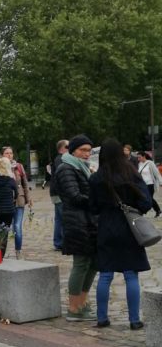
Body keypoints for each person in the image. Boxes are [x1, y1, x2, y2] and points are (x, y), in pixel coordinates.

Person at [89, 138, 152, 330]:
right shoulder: (131, 174)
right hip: (129, 228)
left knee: (105, 274)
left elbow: (92, 207)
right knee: (131, 274)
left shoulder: (96, 178)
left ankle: (102, 318)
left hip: (107, 227)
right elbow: (146, 202)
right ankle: (134, 320)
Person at [55, 136, 98, 322]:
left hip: (89, 220)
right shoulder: (66, 168)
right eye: (83, 150)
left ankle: (83, 301)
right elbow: (73, 196)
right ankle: (74, 307)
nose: (86, 153)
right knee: (81, 263)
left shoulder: (83, 167)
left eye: (89, 150)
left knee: (93, 263)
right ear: (72, 151)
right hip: (76, 221)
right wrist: (97, 200)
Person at [1, 146, 32, 259]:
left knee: (17, 226)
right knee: (4, 226)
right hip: (6, 201)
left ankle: (18, 250)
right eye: (6, 153)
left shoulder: (19, 166)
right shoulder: (0, 167)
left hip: (19, 200)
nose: (9, 155)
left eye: (11, 153)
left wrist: (28, 199)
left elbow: (25, 183)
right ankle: (1, 251)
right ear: (2, 155)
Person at [49, 139, 68, 251]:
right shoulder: (60, 159)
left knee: (59, 219)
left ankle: (58, 242)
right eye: (67, 147)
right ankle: (62, 242)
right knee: (63, 218)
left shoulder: (59, 159)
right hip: (59, 193)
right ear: (62, 149)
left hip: (56, 192)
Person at [136, 150, 161, 218]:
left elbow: (157, 173)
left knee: (149, 198)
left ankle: (156, 210)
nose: (138, 159)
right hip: (143, 184)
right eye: (138, 158)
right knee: (147, 198)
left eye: (139, 157)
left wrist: (160, 182)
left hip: (150, 184)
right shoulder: (139, 164)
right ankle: (158, 210)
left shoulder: (150, 163)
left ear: (144, 156)